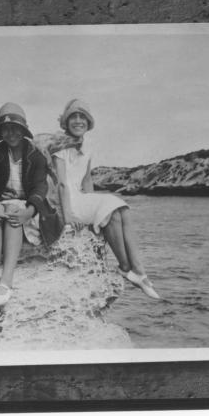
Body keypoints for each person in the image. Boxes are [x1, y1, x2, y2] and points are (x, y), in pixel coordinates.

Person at [51, 99, 160, 299]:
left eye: (82, 117)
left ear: (88, 122)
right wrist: (67, 216)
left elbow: (87, 179)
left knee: (121, 211)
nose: (78, 121)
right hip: (67, 201)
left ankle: (137, 271)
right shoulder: (59, 146)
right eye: (73, 117)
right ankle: (127, 267)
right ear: (66, 122)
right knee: (111, 205)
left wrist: (94, 205)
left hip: (81, 197)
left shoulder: (87, 146)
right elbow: (61, 184)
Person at [0, 102, 63, 317]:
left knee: (13, 213)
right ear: (1, 131)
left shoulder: (36, 155)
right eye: (6, 129)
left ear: (23, 130)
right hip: (2, 201)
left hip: (28, 204)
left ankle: (7, 281)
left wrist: (29, 210)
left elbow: (41, 186)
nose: (11, 133)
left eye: (15, 128)